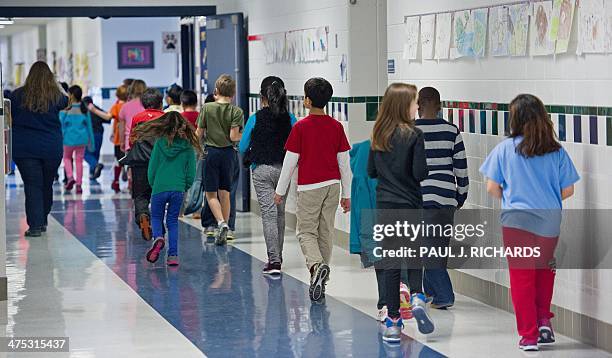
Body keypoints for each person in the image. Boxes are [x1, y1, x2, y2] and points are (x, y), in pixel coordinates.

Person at [480, 94, 579, 352]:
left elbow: (492, 187)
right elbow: (568, 190)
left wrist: (511, 198)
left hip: (516, 222)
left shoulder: (505, 149)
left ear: (515, 119)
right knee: (544, 272)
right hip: (549, 221)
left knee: (522, 277)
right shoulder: (555, 150)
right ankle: (544, 320)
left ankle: (529, 336)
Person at [274, 77, 351, 302]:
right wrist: (346, 194)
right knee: (326, 231)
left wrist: (280, 191)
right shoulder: (336, 126)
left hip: (310, 187)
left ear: (307, 100)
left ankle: (317, 267)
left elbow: (289, 163)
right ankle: (320, 280)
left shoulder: (300, 127)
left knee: (306, 231)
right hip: (332, 186)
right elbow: (344, 164)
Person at [367, 83, 431, 342]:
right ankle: (417, 295)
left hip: (386, 206)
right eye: (415, 102)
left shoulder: (378, 134)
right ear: (405, 105)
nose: (418, 106)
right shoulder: (414, 135)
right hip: (411, 205)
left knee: (392, 263)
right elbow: (420, 173)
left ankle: (393, 321)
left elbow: (371, 171)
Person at [415, 87, 469, 310]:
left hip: (421, 196)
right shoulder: (451, 130)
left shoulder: (411, 130)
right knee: (437, 246)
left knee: (426, 248)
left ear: (418, 105)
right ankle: (431, 292)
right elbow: (461, 168)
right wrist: (461, 196)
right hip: (447, 196)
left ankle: (445, 295)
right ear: (439, 106)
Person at [239, 76, 297, 275]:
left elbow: (242, 146)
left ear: (262, 97)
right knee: (279, 213)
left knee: (268, 215)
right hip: (284, 170)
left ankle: (274, 261)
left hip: (262, 170)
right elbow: (296, 146)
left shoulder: (255, 118)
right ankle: (277, 257)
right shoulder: (290, 119)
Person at [9, 61, 69, 237]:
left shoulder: (17, 95)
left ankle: (36, 225)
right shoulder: (55, 96)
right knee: (46, 183)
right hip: (50, 146)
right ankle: (41, 219)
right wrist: (57, 84)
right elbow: (68, 102)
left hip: (24, 147)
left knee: (32, 185)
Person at [139, 112, 199, 266]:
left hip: (159, 187)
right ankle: (173, 256)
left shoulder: (160, 143)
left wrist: (153, 184)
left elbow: (152, 167)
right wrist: (185, 186)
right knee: (172, 221)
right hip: (178, 189)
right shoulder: (188, 146)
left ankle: (158, 237)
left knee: (156, 217)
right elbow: (192, 171)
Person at [196, 74, 244, 245]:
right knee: (225, 193)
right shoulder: (237, 111)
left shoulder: (207, 108)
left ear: (216, 90)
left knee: (210, 194)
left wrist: (197, 150)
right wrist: (242, 134)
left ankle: (221, 223)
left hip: (211, 153)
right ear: (233, 93)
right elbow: (233, 136)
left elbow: (199, 134)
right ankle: (227, 228)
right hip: (229, 155)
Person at [129, 88, 165, 241]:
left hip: (140, 162)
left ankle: (143, 215)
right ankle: (159, 226)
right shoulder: (165, 118)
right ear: (161, 104)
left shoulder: (137, 118)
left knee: (140, 195)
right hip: (161, 163)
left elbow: (132, 139)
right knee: (159, 195)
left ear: (143, 104)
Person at [87, 85, 128, 192]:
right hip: (129, 137)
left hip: (119, 139)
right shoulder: (129, 106)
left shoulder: (117, 107)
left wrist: (94, 110)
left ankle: (116, 182)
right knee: (128, 160)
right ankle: (127, 175)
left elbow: (108, 117)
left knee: (117, 160)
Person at [60, 85, 95, 194]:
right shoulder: (84, 109)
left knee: (66, 158)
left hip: (68, 139)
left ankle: (70, 177)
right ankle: (79, 185)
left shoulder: (66, 109)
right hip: (82, 139)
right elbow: (89, 127)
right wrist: (92, 143)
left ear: (71, 95)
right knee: (79, 160)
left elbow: (60, 125)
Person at [82, 96, 111, 180]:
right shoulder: (96, 109)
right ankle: (92, 173)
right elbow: (108, 119)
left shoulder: (83, 111)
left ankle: (96, 166)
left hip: (88, 135)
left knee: (86, 154)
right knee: (95, 154)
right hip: (99, 135)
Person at [119, 79, 146, 152]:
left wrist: (122, 142)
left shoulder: (125, 107)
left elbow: (121, 128)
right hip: (146, 144)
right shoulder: (147, 105)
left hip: (130, 143)